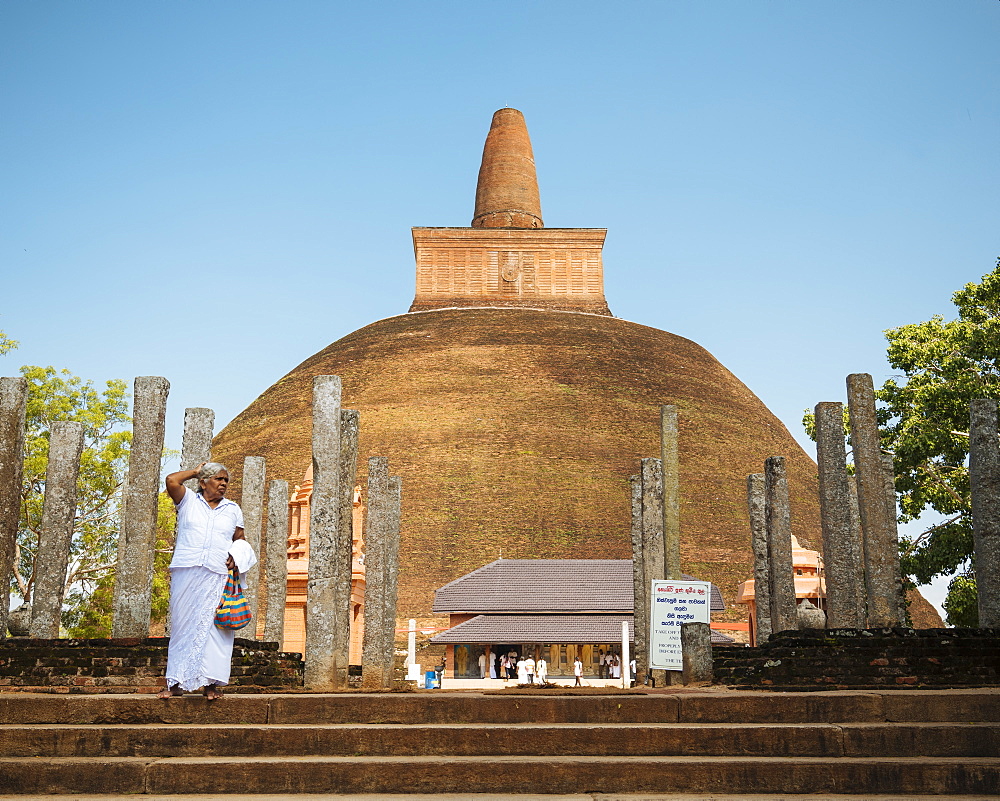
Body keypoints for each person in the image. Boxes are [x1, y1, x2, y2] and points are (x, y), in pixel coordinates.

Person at [158, 462, 250, 701]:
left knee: (214, 630)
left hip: (217, 572)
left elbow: (240, 539)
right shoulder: (188, 500)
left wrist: (236, 556)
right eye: (219, 479)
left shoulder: (232, 509)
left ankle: (211, 685)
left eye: (226, 481)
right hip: (187, 569)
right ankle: (176, 681)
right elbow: (171, 481)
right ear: (203, 482)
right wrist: (196, 471)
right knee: (182, 626)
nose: (223, 484)